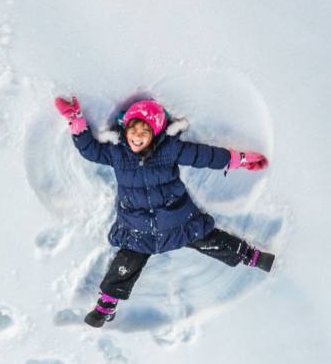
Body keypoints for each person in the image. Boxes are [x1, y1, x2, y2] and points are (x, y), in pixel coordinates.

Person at [53, 96, 275, 328]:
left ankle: (250, 255)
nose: (137, 136)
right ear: (125, 128)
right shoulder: (116, 153)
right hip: (138, 228)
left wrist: (240, 159)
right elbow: (90, 151)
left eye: (144, 132)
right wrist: (75, 120)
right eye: (133, 129)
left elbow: (205, 156)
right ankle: (106, 305)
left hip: (178, 220)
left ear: (155, 134)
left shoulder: (168, 150)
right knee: (125, 263)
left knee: (212, 239)